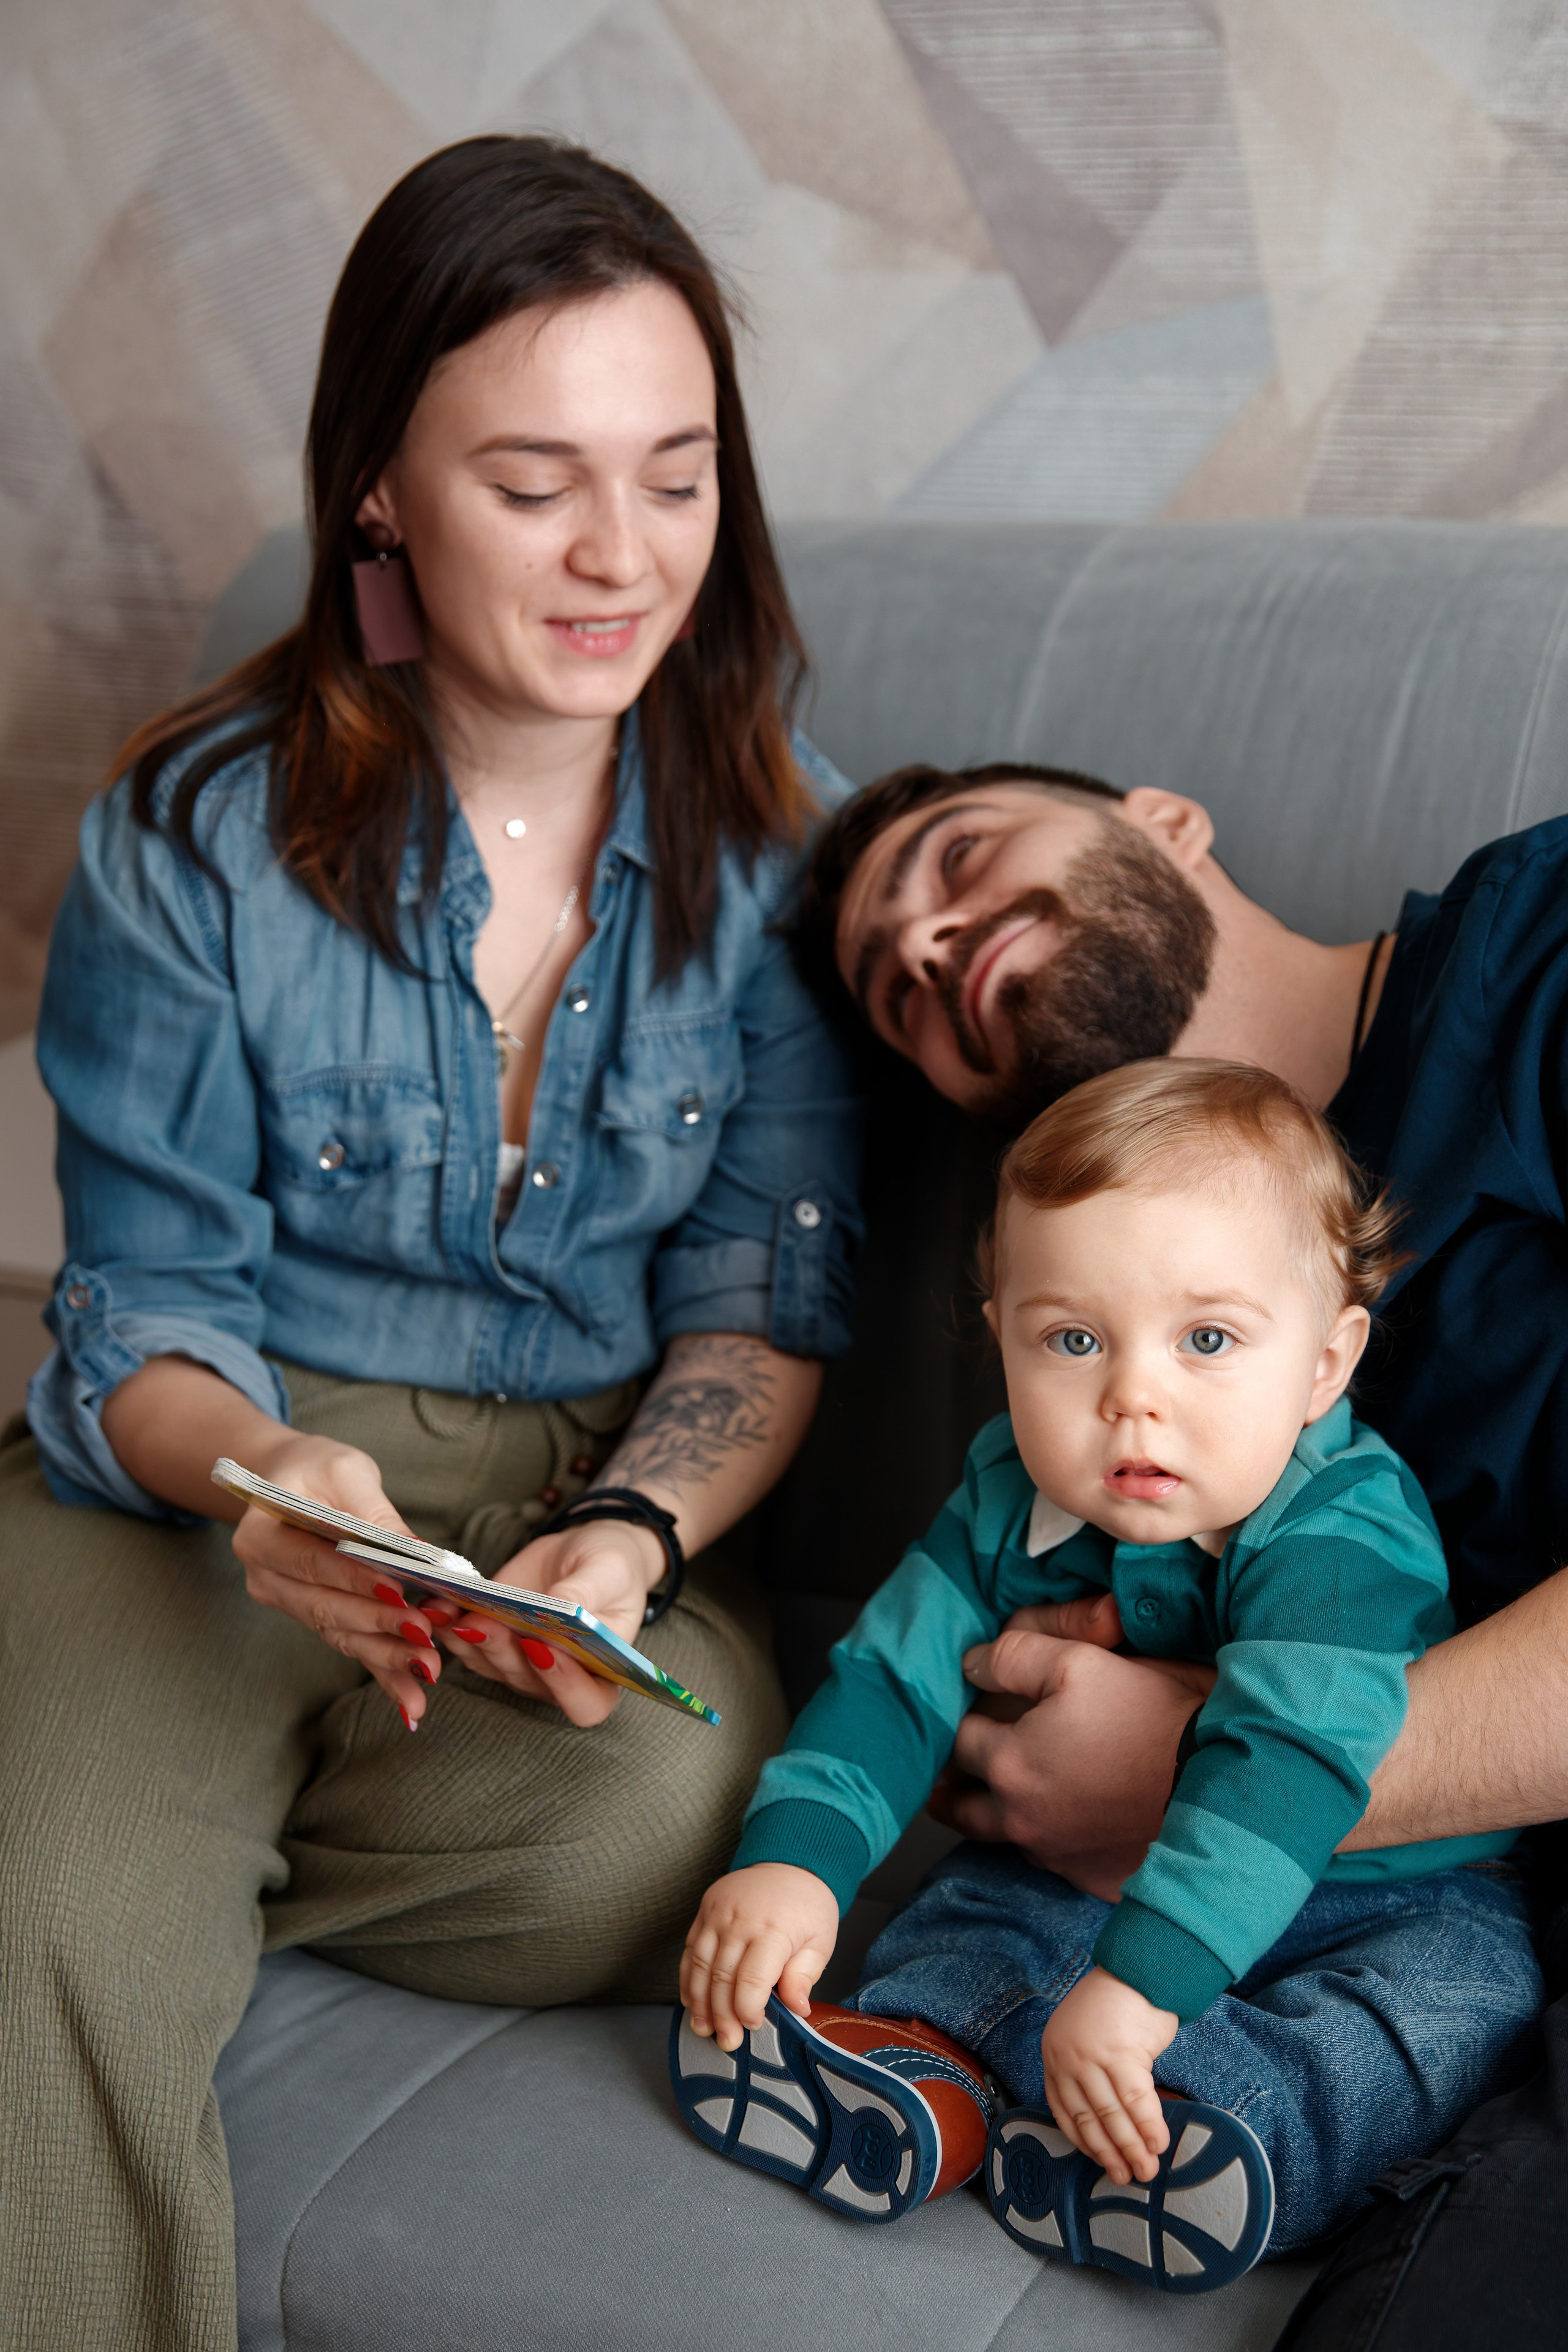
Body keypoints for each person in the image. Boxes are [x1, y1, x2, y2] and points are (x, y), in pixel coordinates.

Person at [0, 137, 862, 2352]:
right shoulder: (190, 838)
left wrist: (634, 1535)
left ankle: (195, 1842)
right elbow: (145, 1315)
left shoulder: (784, 839)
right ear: (381, 483)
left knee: (655, 1812)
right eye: (533, 482)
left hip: (577, 1488)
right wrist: (269, 1487)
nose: (620, 558)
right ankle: (119, 1854)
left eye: (676, 479)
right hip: (216, 1470)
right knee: (49, 1895)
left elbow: (760, 1306)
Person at [793, 757, 1568, 2342]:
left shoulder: (1537, 952)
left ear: (1164, 819)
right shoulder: (1076, 1374)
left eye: (960, 857)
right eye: (899, 993)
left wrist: (1202, 1771)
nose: (936, 952)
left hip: (1442, 1900)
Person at [671, 1060, 1539, 2292]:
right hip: (1091, 1872)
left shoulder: (1341, 1528)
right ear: (1001, 1343)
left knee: (1452, 2005)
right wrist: (793, 1864)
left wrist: (1138, 1990)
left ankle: (1201, 2132)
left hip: (1388, 1893)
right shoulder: (1000, 1500)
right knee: (981, 1914)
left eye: (1206, 1339)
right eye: (1072, 1339)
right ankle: (924, 2083)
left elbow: (1277, 1760)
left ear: (1323, 1364)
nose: (1132, 1397)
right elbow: (888, 1680)